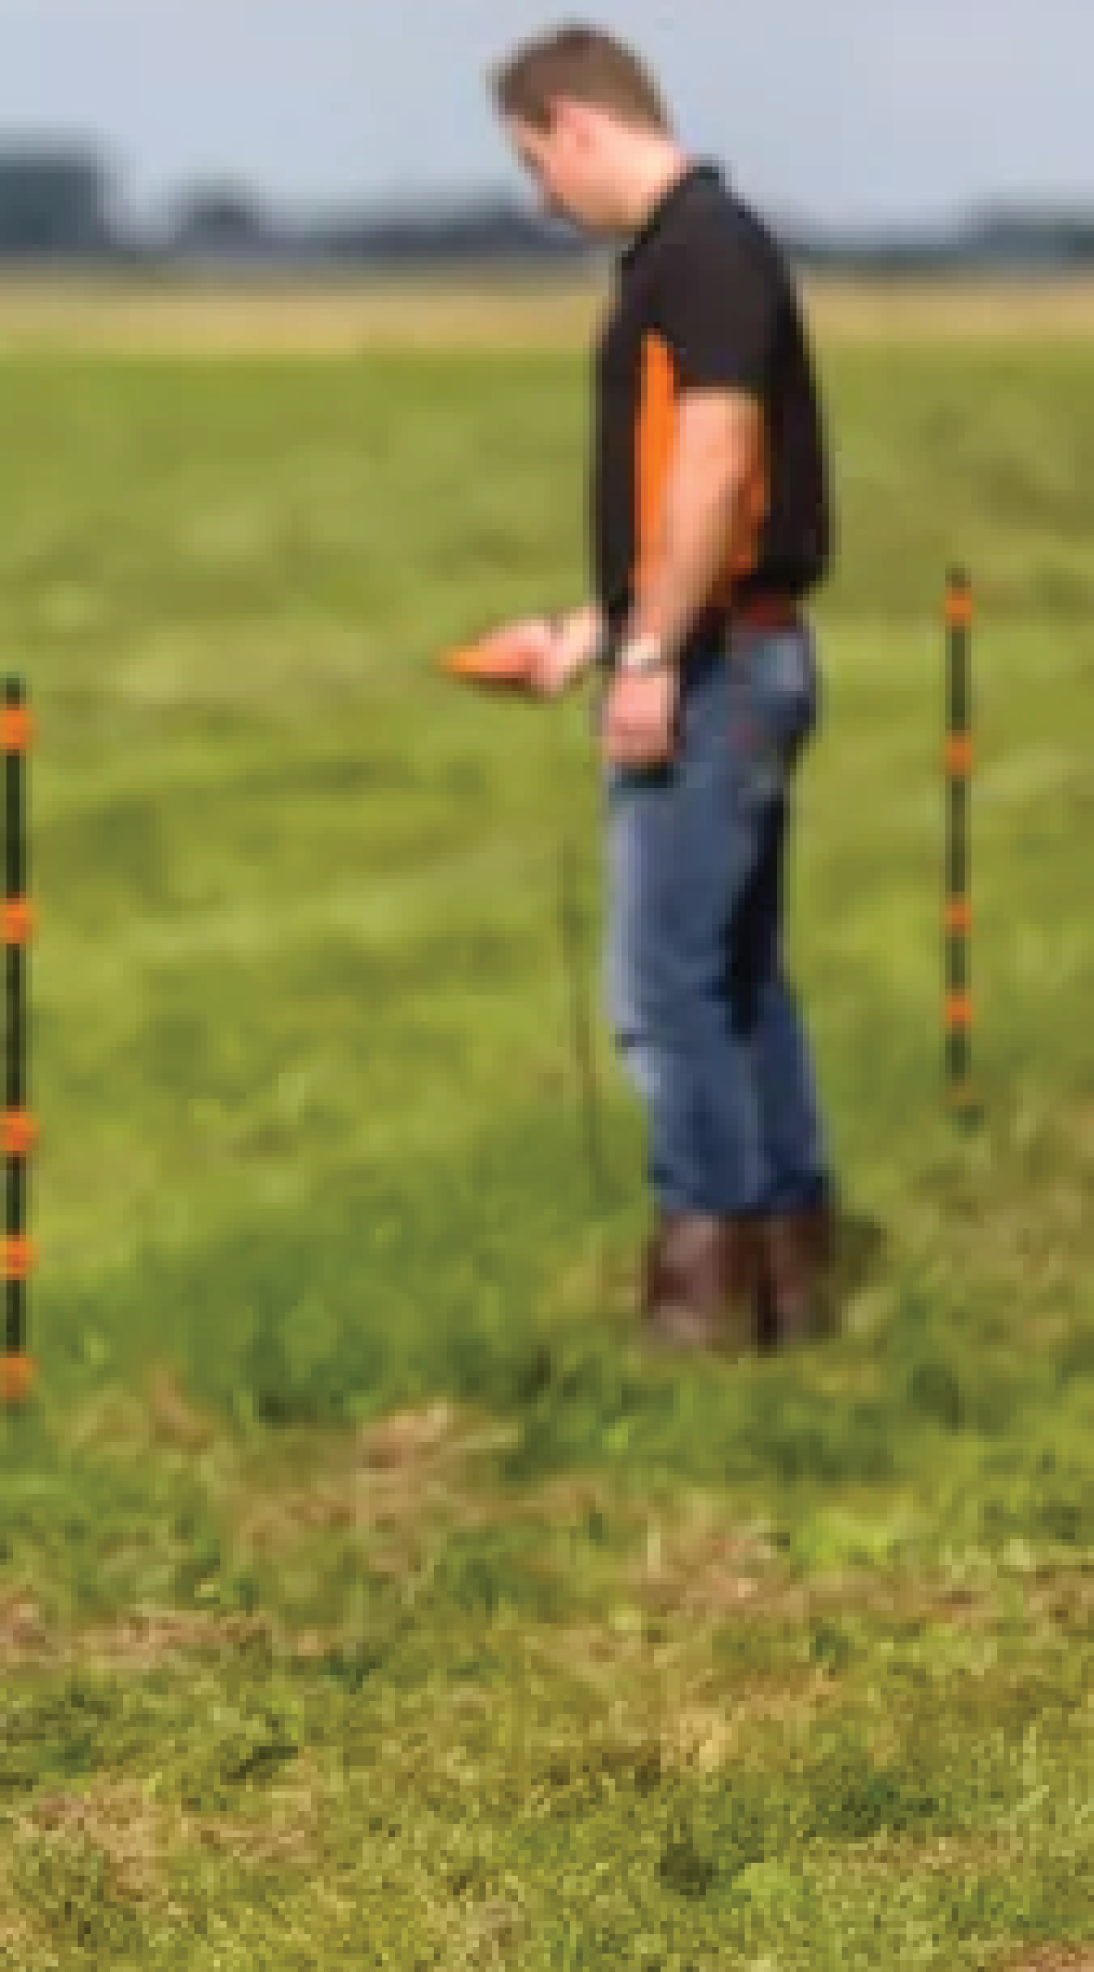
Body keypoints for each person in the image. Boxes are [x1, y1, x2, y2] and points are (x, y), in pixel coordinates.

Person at [454, 22, 840, 1356]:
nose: (537, 198)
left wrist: (647, 657)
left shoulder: (698, 254)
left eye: (531, 163)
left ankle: (702, 1308)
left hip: (716, 666)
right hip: (732, 644)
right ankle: (790, 1279)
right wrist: (589, 628)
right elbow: (700, 498)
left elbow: (718, 460)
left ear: (572, 123)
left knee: (667, 996)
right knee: (737, 980)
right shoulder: (697, 250)